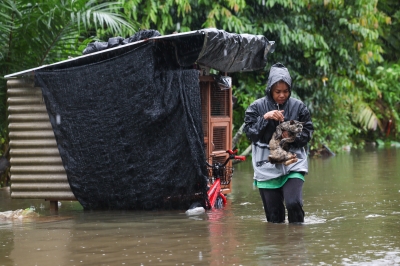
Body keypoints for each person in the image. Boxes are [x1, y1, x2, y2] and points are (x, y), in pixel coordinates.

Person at [243, 63, 314, 223]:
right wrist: (265, 118)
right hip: (266, 166)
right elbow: (251, 134)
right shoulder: (256, 107)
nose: (282, 95)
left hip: (294, 163)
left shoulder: (299, 107)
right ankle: (279, 247)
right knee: (274, 219)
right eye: (278, 92)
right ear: (270, 90)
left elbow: (308, 133)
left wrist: (291, 133)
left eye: (286, 91)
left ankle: (297, 243)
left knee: (293, 203)